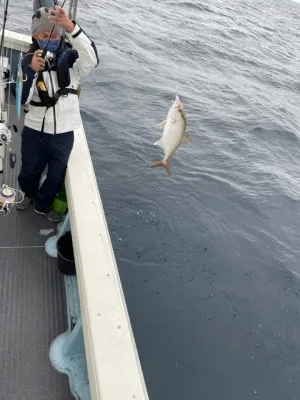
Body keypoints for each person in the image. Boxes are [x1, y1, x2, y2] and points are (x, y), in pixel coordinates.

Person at [16, 6, 98, 221]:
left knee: (55, 174)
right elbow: (21, 100)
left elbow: (92, 58)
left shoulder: (72, 59)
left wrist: (71, 27)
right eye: (44, 34)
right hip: (34, 130)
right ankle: (28, 193)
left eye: (54, 34)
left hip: (64, 131)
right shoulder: (26, 61)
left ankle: (43, 204)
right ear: (35, 36)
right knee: (29, 169)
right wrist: (31, 70)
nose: (50, 38)